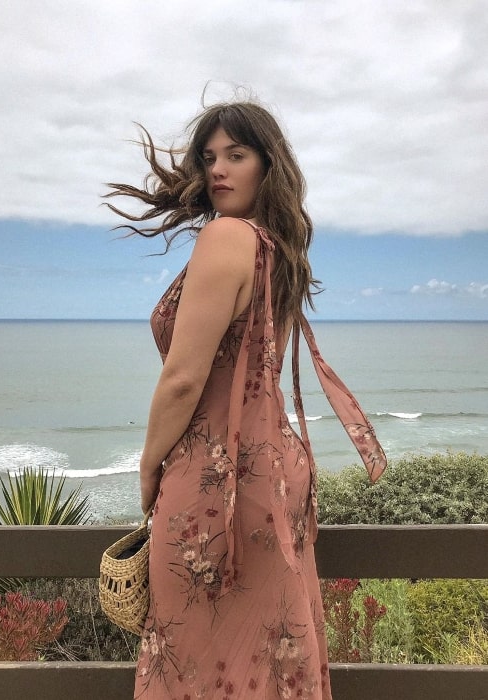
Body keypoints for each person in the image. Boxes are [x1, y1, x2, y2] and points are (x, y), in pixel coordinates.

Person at [106, 99, 387, 700]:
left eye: (236, 155)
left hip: (218, 476)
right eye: (209, 158)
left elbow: (184, 378)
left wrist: (149, 465)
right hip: (276, 471)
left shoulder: (226, 237)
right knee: (269, 646)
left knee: (195, 660)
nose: (217, 170)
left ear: (269, 164)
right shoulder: (277, 249)